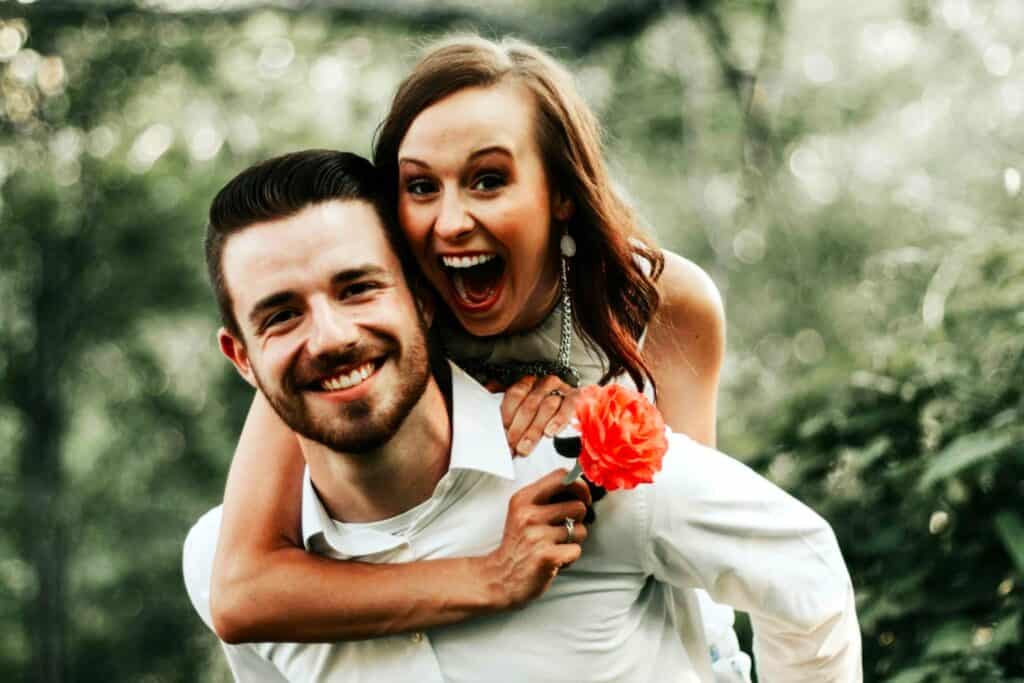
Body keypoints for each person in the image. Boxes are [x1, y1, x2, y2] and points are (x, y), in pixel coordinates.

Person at [183, 149, 862, 682]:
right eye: (281, 314)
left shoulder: (586, 466)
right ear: (240, 356)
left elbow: (804, 572)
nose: (329, 335)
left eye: (358, 287)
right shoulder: (220, 559)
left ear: (423, 296)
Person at [211, 36, 730, 678]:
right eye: (421, 186)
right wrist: (490, 577)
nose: (451, 221)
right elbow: (240, 589)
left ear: (561, 191)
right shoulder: (361, 328)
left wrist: (588, 439)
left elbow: (693, 534)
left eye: (489, 179)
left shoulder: (666, 302)